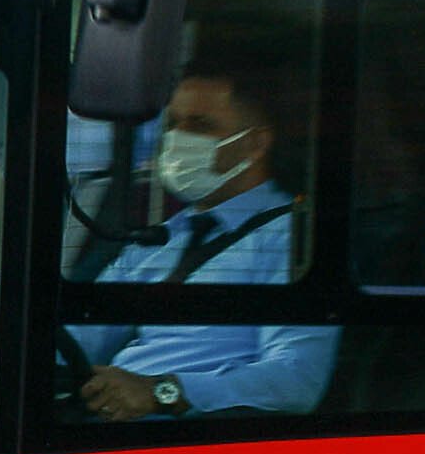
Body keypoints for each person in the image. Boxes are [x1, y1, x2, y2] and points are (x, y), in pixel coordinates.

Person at [69, 66, 337, 420]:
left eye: (200, 125)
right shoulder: (162, 237)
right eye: (172, 124)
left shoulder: (292, 240)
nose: (178, 139)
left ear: (255, 144)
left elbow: (295, 379)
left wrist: (161, 392)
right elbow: (86, 334)